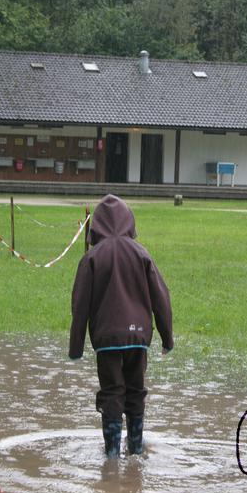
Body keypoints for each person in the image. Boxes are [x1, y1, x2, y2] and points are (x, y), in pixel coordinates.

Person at [69, 194, 174, 458]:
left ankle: (112, 456)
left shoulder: (91, 257)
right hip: (138, 338)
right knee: (136, 391)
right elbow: (161, 298)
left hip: (107, 340)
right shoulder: (141, 253)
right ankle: (136, 450)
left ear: (96, 226)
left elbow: (80, 306)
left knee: (112, 392)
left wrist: (76, 348)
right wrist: (167, 338)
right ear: (129, 221)